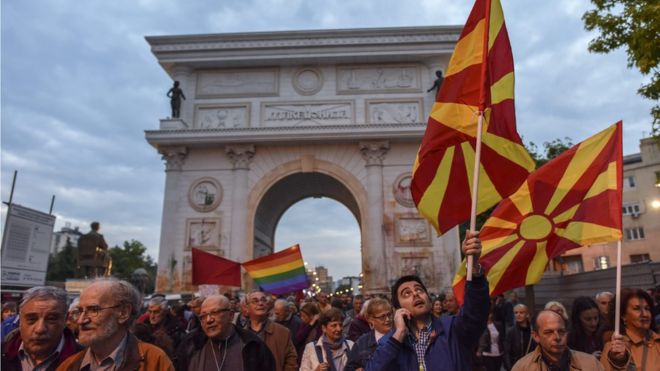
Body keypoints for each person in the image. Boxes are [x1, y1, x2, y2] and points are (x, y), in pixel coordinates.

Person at [365, 231, 489, 371]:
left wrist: (474, 268)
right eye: (407, 294)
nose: (415, 294)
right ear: (398, 308)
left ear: (429, 300)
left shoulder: (454, 329)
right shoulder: (390, 342)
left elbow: (476, 312)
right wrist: (398, 334)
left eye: (419, 290)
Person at [57, 278, 174, 370]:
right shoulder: (68, 365)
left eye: (93, 310)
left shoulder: (155, 362)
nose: (81, 320)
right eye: (79, 311)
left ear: (123, 313)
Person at [175, 294, 275, 370]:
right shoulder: (190, 345)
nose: (208, 320)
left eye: (215, 312)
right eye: (203, 316)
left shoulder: (253, 344)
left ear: (231, 315)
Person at [2, 286, 81, 371]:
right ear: (20, 320)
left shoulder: (85, 361)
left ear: (65, 319)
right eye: (31, 319)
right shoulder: (3, 353)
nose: (40, 329)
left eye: (51, 319)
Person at [511, 310, 603, 370]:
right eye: (548, 332)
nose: (557, 337)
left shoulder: (591, 364)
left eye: (561, 331)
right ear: (536, 336)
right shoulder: (522, 367)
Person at [601, 288, 660, 370]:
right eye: (637, 309)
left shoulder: (657, 341)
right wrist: (619, 361)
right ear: (623, 315)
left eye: (647, 308)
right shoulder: (614, 347)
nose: (645, 314)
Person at [244, 291, 297, 371]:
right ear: (247, 308)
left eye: (263, 300)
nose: (260, 303)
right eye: (255, 301)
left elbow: (291, 362)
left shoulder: (283, 332)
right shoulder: (239, 335)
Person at [346, 298, 392, 371]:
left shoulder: (400, 337)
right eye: (382, 317)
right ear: (370, 319)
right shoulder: (361, 343)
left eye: (389, 315)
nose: (388, 319)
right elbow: (349, 368)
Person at [136, 296, 183, 361]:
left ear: (166, 312)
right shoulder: (142, 328)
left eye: (156, 312)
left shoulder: (176, 330)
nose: (152, 316)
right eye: (150, 311)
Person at [503, 303, 535, 370]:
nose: (518, 315)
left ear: (527, 314)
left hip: (531, 366)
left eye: (521, 312)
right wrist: (510, 368)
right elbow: (507, 352)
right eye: (516, 313)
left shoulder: (533, 331)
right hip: (516, 366)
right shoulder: (511, 332)